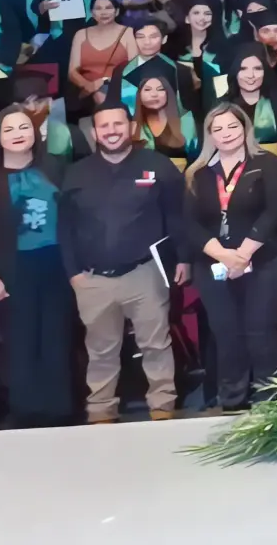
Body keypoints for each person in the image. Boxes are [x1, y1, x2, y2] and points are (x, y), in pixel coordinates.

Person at [57, 102, 186, 422]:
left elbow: (178, 217)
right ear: (94, 132)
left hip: (145, 272)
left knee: (156, 344)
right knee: (100, 350)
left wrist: (183, 259)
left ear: (131, 128)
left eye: (118, 125)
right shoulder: (76, 172)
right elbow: (65, 229)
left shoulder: (159, 165)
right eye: (104, 126)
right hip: (93, 279)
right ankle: (101, 410)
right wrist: (73, 273)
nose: (112, 131)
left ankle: (162, 406)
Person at [0, 105, 76, 426]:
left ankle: (61, 410)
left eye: (23, 128)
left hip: (56, 267)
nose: (17, 135)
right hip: (11, 271)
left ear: (36, 132)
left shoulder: (55, 167)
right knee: (20, 341)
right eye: (8, 130)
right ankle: (26, 411)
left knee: (57, 337)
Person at [183, 103, 277, 410]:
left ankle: (274, 402)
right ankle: (232, 401)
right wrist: (223, 256)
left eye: (232, 126)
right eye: (217, 129)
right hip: (214, 265)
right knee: (226, 333)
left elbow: (275, 211)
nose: (226, 134)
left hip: (264, 261)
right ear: (209, 136)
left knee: (260, 330)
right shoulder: (197, 173)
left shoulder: (266, 163)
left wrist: (242, 255)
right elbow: (189, 223)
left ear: (244, 128)